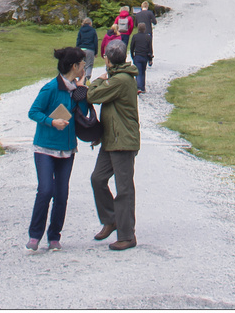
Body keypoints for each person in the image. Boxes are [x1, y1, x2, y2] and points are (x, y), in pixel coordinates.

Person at [24, 47, 93, 251]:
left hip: (67, 149)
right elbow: (33, 112)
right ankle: (35, 235)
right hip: (45, 148)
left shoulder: (77, 89)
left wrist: (82, 94)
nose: (84, 68)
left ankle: (54, 236)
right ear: (74, 66)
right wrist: (51, 122)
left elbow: (81, 115)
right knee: (46, 190)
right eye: (82, 65)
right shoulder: (50, 88)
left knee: (62, 194)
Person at [85, 39, 140, 250]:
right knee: (98, 178)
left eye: (105, 57)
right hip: (111, 139)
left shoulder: (121, 80)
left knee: (124, 188)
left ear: (108, 59)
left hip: (123, 141)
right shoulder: (117, 77)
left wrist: (98, 79)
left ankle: (127, 235)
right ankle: (111, 219)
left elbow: (92, 95)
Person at [129, 22, 152, 94]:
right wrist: (150, 59)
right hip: (145, 56)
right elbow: (150, 49)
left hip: (137, 56)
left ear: (138, 29)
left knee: (138, 72)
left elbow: (131, 47)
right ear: (145, 29)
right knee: (143, 71)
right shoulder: (148, 37)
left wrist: (133, 56)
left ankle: (138, 87)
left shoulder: (135, 36)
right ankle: (143, 87)